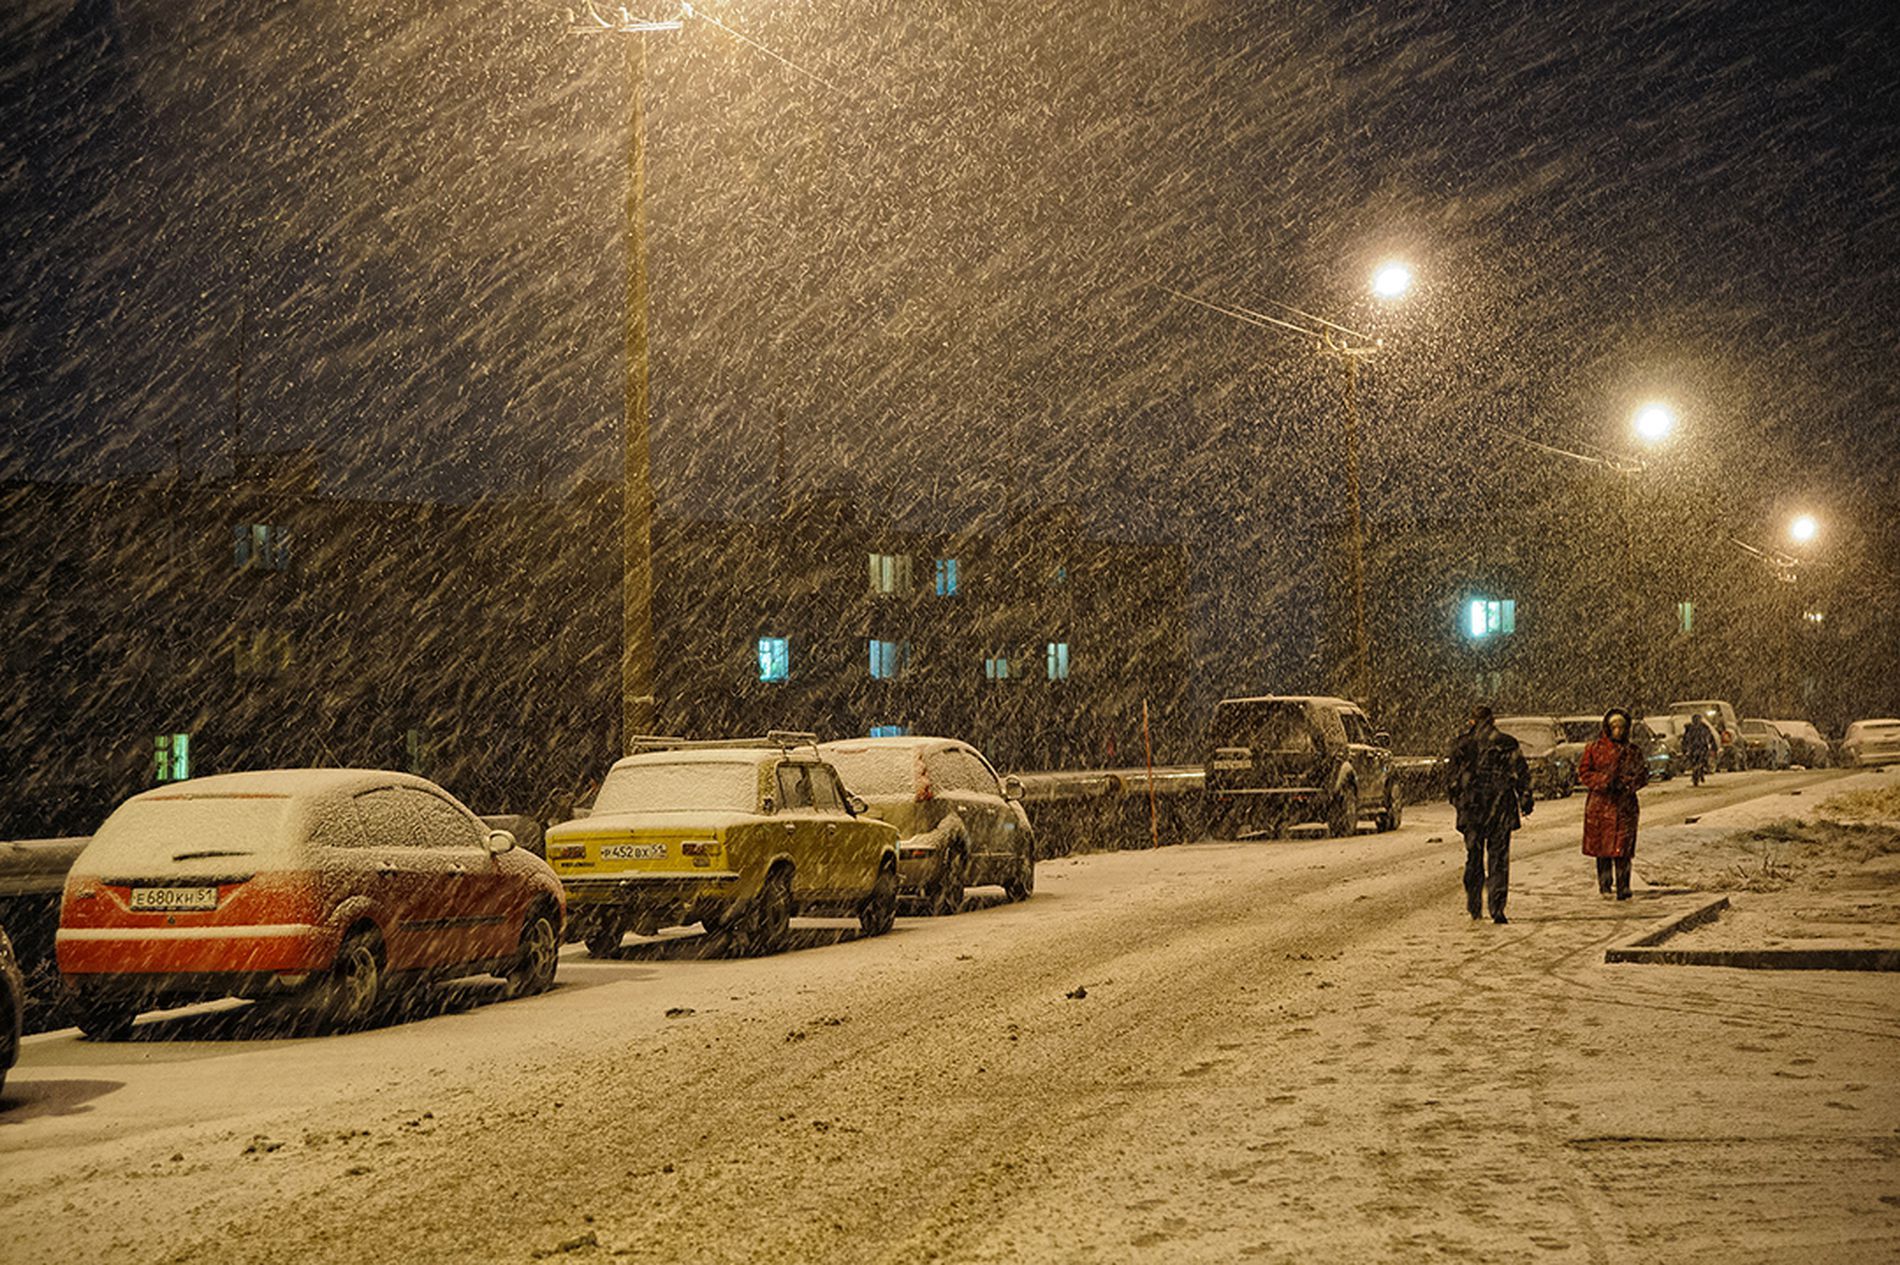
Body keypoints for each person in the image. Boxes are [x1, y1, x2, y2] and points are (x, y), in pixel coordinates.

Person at [1446, 704, 1534, 924]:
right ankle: (1497, 907)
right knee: (1498, 859)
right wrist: (1524, 796)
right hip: (1500, 808)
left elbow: (1451, 780)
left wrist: (1459, 801)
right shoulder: (1506, 743)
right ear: (1493, 720)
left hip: (1473, 809)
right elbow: (1521, 772)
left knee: (1473, 857)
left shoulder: (1462, 745)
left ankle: (1475, 903)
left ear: (1471, 721)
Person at [1578, 708, 1649, 900]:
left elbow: (1642, 775)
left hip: (1624, 805)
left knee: (1623, 848)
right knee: (1603, 848)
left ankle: (1623, 886)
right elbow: (1584, 772)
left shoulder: (1633, 751)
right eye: (1614, 727)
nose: (1618, 730)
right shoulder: (1594, 749)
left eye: (1621, 727)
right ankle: (1605, 885)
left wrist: (1627, 784)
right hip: (1601, 804)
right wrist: (1604, 781)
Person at [1682, 713, 1715, 786]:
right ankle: (1697, 771)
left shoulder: (1703, 727)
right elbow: (1685, 739)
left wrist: (1711, 744)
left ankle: (1702, 770)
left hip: (1701, 746)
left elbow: (1710, 736)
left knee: (1703, 759)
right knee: (1694, 760)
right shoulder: (1690, 728)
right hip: (1694, 747)